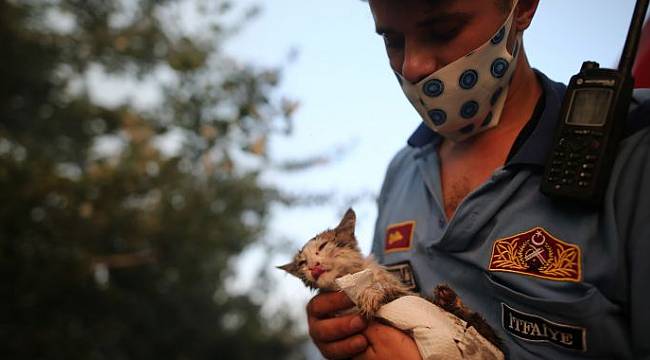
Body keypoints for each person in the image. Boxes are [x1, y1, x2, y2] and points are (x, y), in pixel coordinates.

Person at [307, 0, 650, 359]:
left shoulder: (633, 151)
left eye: (443, 31)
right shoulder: (403, 171)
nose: (413, 66)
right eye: (393, 41)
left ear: (523, 9)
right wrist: (346, 330)